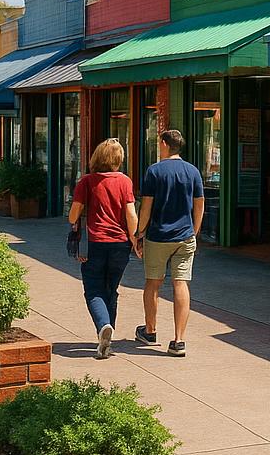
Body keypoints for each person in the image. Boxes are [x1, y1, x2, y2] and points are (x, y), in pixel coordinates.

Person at [135, 129, 204, 357]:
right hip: (185, 237)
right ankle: (179, 340)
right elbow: (199, 203)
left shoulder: (154, 171)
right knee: (181, 284)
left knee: (153, 283)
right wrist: (193, 231)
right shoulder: (192, 171)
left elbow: (146, 207)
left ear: (164, 144)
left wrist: (139, 233)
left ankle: (150, 330)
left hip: (158, 236)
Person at [68, 138, 138, 359]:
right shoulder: (125, 181)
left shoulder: (86, 182)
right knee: (111, 290)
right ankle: (107, 339)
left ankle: (104, 326)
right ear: (118, 160)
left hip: (94, 244)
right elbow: (130, 214)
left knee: (94, 290)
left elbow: (73, 215)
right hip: (120, 245)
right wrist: (135, 241)